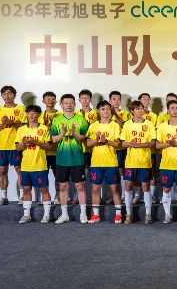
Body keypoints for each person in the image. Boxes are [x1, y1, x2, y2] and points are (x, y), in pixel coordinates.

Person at [50, 94, 89, 224]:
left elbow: (84, 139)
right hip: (61, 159)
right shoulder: (56, 120)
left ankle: (83, 214)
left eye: (71, 102)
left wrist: (74, 132)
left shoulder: (81, 119)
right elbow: (53, 140)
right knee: (63, 186)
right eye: (66, 103)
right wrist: (62, 134)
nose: (68, 105)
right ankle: (64, 214)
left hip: (77, 159)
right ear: (61, 104)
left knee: (80, 186)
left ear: (75, 104)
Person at [85, 101, 123, 224]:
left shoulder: (115, 125)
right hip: (96, 163)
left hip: (111, 162)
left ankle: (119, 215)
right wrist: (96, 140)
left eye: (107, 109)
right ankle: (96, 215)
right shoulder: (93, 126)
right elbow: (88, 144)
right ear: (98, 111)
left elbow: (119, 144)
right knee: (95, 188)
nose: (105, 111)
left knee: (115, 188)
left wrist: (106, 141)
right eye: (103, 109)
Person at [120, 100, 156, 224]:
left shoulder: (149, 124)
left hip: (145, 161)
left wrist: (139, 145)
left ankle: (148, 214)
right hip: (130, 161)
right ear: (132, 111)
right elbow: (123, 143)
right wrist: (130, 143)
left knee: (145, 186)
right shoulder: (127, 125)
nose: (140, 111)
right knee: (128, 185)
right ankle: (129, 214)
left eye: (142, 108)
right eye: (137, 109)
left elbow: (152, 143)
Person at [15, 105, 53, 223]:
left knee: (43, 189)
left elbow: (49, 146)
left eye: (34, 113)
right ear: (26, 115)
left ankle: (47, 215)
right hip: (26, 165)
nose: (31, 115)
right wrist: (25, 144)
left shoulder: (44, 128)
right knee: (26, 189)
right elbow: (18, 147)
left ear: (39, 115)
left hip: (40, 165)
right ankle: (27, 215)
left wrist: (35, 142)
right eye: (29, 113)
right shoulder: (21, 130)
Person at [0, 85, 26, 206]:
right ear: (2, 96)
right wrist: (3, 124)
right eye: (4, 94)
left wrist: (11, 122)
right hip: (2, 146)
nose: (7, 96)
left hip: (16, 145)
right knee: (2, 171)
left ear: (14, 95)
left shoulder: (21, 109)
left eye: (10, 93)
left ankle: (22, 197)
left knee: (20, 171)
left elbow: (24, 126)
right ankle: (3, 197)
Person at [155, 99, 177, 224]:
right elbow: (157, 146)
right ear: (168, 110)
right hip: (166, 164)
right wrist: (168, 143)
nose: (175, 110)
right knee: (166, 190)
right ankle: (167, 215)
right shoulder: (162, 127)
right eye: (172, 108)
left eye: (176, 108)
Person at [40, 91, 62, 204]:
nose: (50, 101)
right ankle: (45, 197)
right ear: (43, 101)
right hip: (42, 151)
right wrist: (44, 125)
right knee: (43, 175)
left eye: (52, 99)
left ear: (56, 101)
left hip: (57, 151)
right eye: (48, 99)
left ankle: (57, 197)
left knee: (57, 176)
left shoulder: (61, 115)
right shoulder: (39, 115)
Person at [138, 92, 158, 205]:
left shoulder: (154, 116)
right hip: (135, 151)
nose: (145, 101)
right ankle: (137, 195)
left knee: (152, 174)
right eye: (143, 99)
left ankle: (152, 196)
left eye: (147, 99)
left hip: (150, 150)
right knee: (137, 174)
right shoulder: (133, 116)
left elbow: (154, 132)